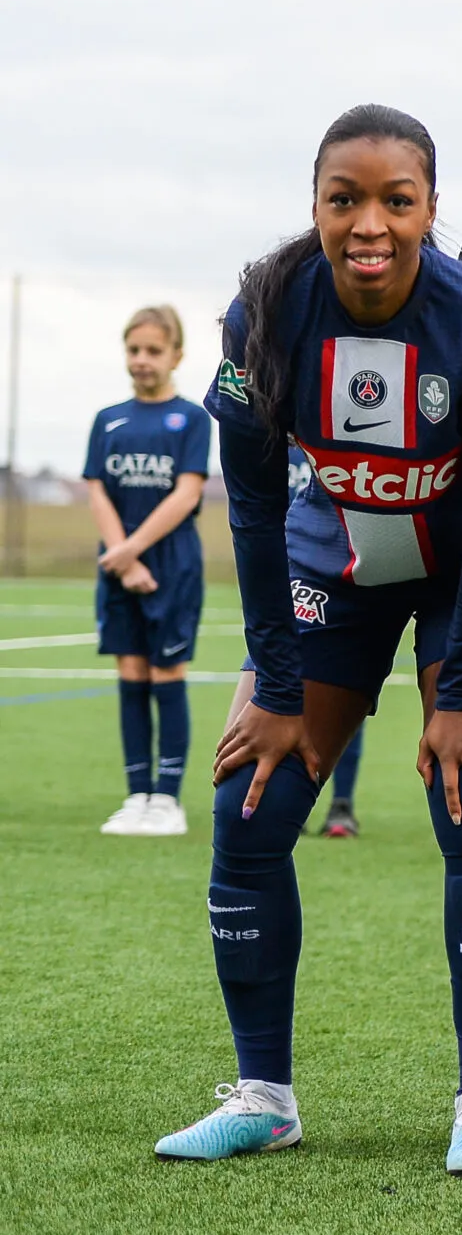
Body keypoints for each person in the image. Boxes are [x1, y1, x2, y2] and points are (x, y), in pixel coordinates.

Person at [163, 105, 462, 1175]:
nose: (368, 223)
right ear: (315, 206)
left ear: (432, 209)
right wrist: (276, 684)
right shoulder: (265, 311)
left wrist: (460, 688)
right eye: (344, 199)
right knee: (249, 807)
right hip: (338, 570)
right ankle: (264, 1096)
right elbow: (248, 507)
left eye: (395, 200)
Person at [87, 306, 211, 837]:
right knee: (130, 675)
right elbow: (96, 487)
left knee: (166, 674)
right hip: (118, 566)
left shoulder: (192, 418)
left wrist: (134, 551)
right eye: (134, 350)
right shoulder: (108, 419)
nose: (142, 360)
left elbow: (187, 492)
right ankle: (137, 795)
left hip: (170, 565)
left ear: (176, 355)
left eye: (153, 351)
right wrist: (121, 556)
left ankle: (168, 799)